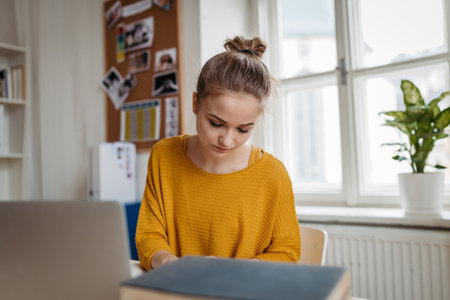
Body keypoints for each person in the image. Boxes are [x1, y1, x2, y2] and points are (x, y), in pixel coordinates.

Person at [136, 36, 301, 270]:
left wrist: (231, 271)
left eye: (243, 129)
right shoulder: (163, 156)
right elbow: (148, 234)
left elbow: (287, 252)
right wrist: (169, 263)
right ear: (195, 104)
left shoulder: (272, 174)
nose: (227, 140)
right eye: (216, 123)